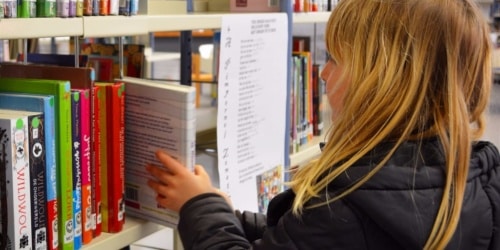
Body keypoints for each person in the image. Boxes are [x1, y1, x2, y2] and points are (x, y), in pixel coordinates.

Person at [145, 0, 500, 249]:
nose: (324, 72)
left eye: (335, 59)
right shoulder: (474, 174)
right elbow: (301, 237)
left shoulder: (344, 202)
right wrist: (221, 210)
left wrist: (199, 207)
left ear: (384, 81)